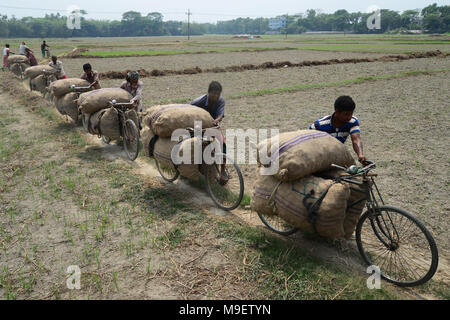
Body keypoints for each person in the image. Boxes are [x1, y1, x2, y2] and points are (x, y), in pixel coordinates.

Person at [308, 95, 368, 165]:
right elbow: (308, 143)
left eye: (351, 114)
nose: (349, 117)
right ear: (337, 112)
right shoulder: (319, 125)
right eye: (346, 114)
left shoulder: (353, 121)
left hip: (337, 155)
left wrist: (360, 155)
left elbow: (356, 139)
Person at [190, 81, 228, 183]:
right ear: (208, 92)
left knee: (223, 145)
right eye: (214, 93)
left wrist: (217, 120)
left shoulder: (221, 101)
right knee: (195, 146)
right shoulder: (198, 101)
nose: (216, 96)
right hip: (198, 127)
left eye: (218, 94)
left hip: (213, 126)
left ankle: (223, 171)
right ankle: (193, 170)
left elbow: (221, 114)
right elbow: (189, 112)